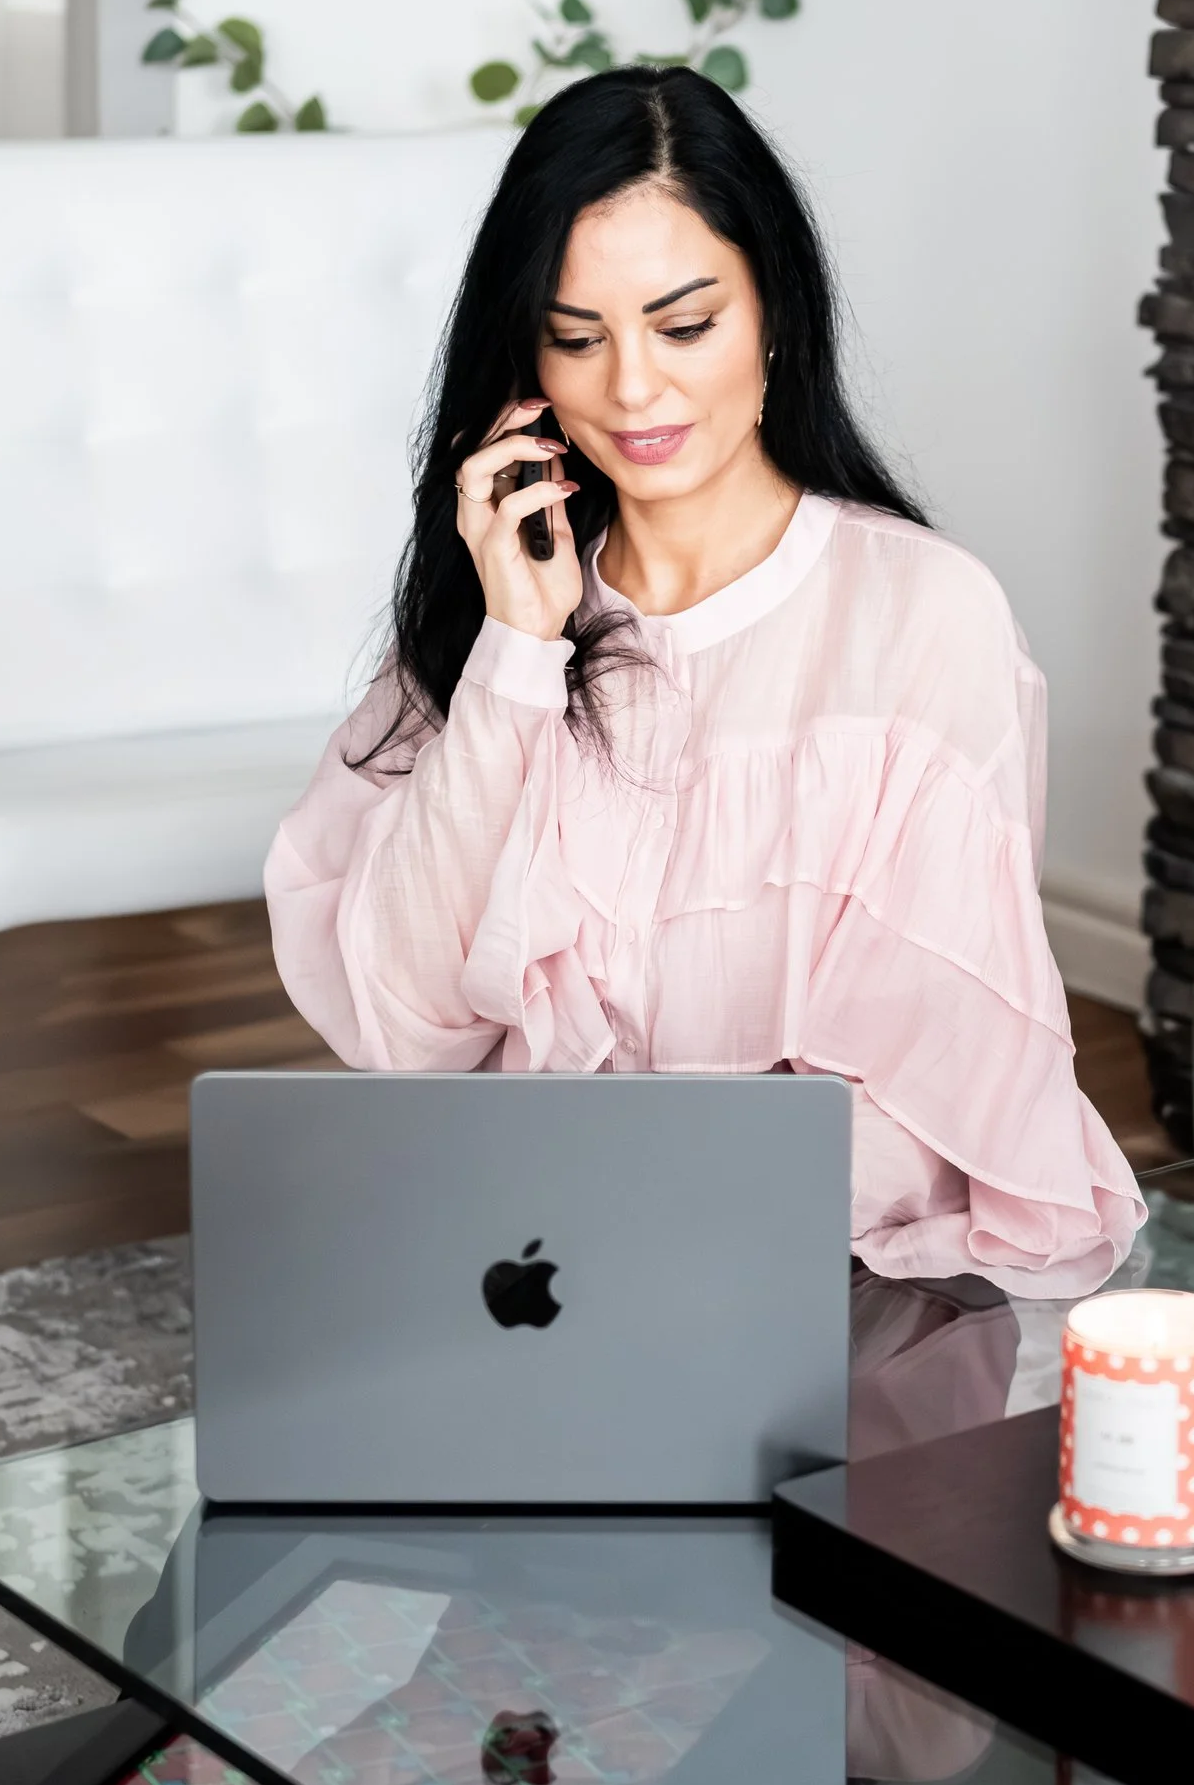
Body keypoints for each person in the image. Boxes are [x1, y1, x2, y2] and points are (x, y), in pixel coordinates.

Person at [267, 65, 1142, 1294]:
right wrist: (517, 651)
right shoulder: (491, 614)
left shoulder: (924, 617)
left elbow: (938, 1099)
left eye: (684, 326)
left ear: (772, 310)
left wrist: (656, 1229)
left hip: (800, 1277)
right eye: (577, 339)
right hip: (518, 1267)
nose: (631, 390)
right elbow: (405, 1026)